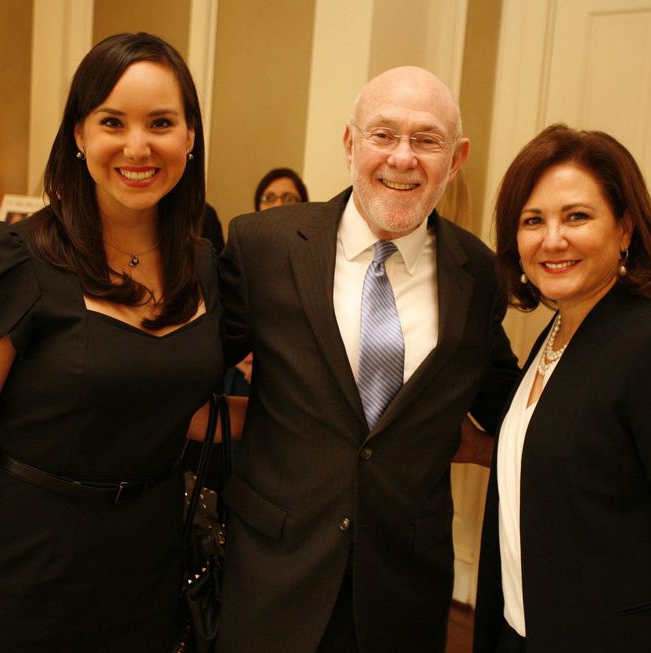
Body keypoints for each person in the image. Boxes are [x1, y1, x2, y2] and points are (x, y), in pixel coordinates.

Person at [0, 33, 222, 652]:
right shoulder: (14, 259)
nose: (139, 146)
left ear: (189, 137)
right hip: (27, 566)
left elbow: (172, 405)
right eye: (113, 121)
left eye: (162, 122)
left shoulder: (206, 265)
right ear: (80, 135)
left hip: (149, 569)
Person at [216, 66, 519, 652]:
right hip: (274, 572)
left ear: (455, 159)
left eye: (426, 140)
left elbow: (507, 400)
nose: (403, 158)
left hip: (403, 587)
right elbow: (191, 373)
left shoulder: (478, 273)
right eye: (383, 134)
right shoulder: (265, 246)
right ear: (351, 144)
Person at [472, 124, 651, 651]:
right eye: (533, 221)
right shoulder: (557, 335)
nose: (553, 239)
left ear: (624, 229)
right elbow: (581, 469)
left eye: (576, 216)